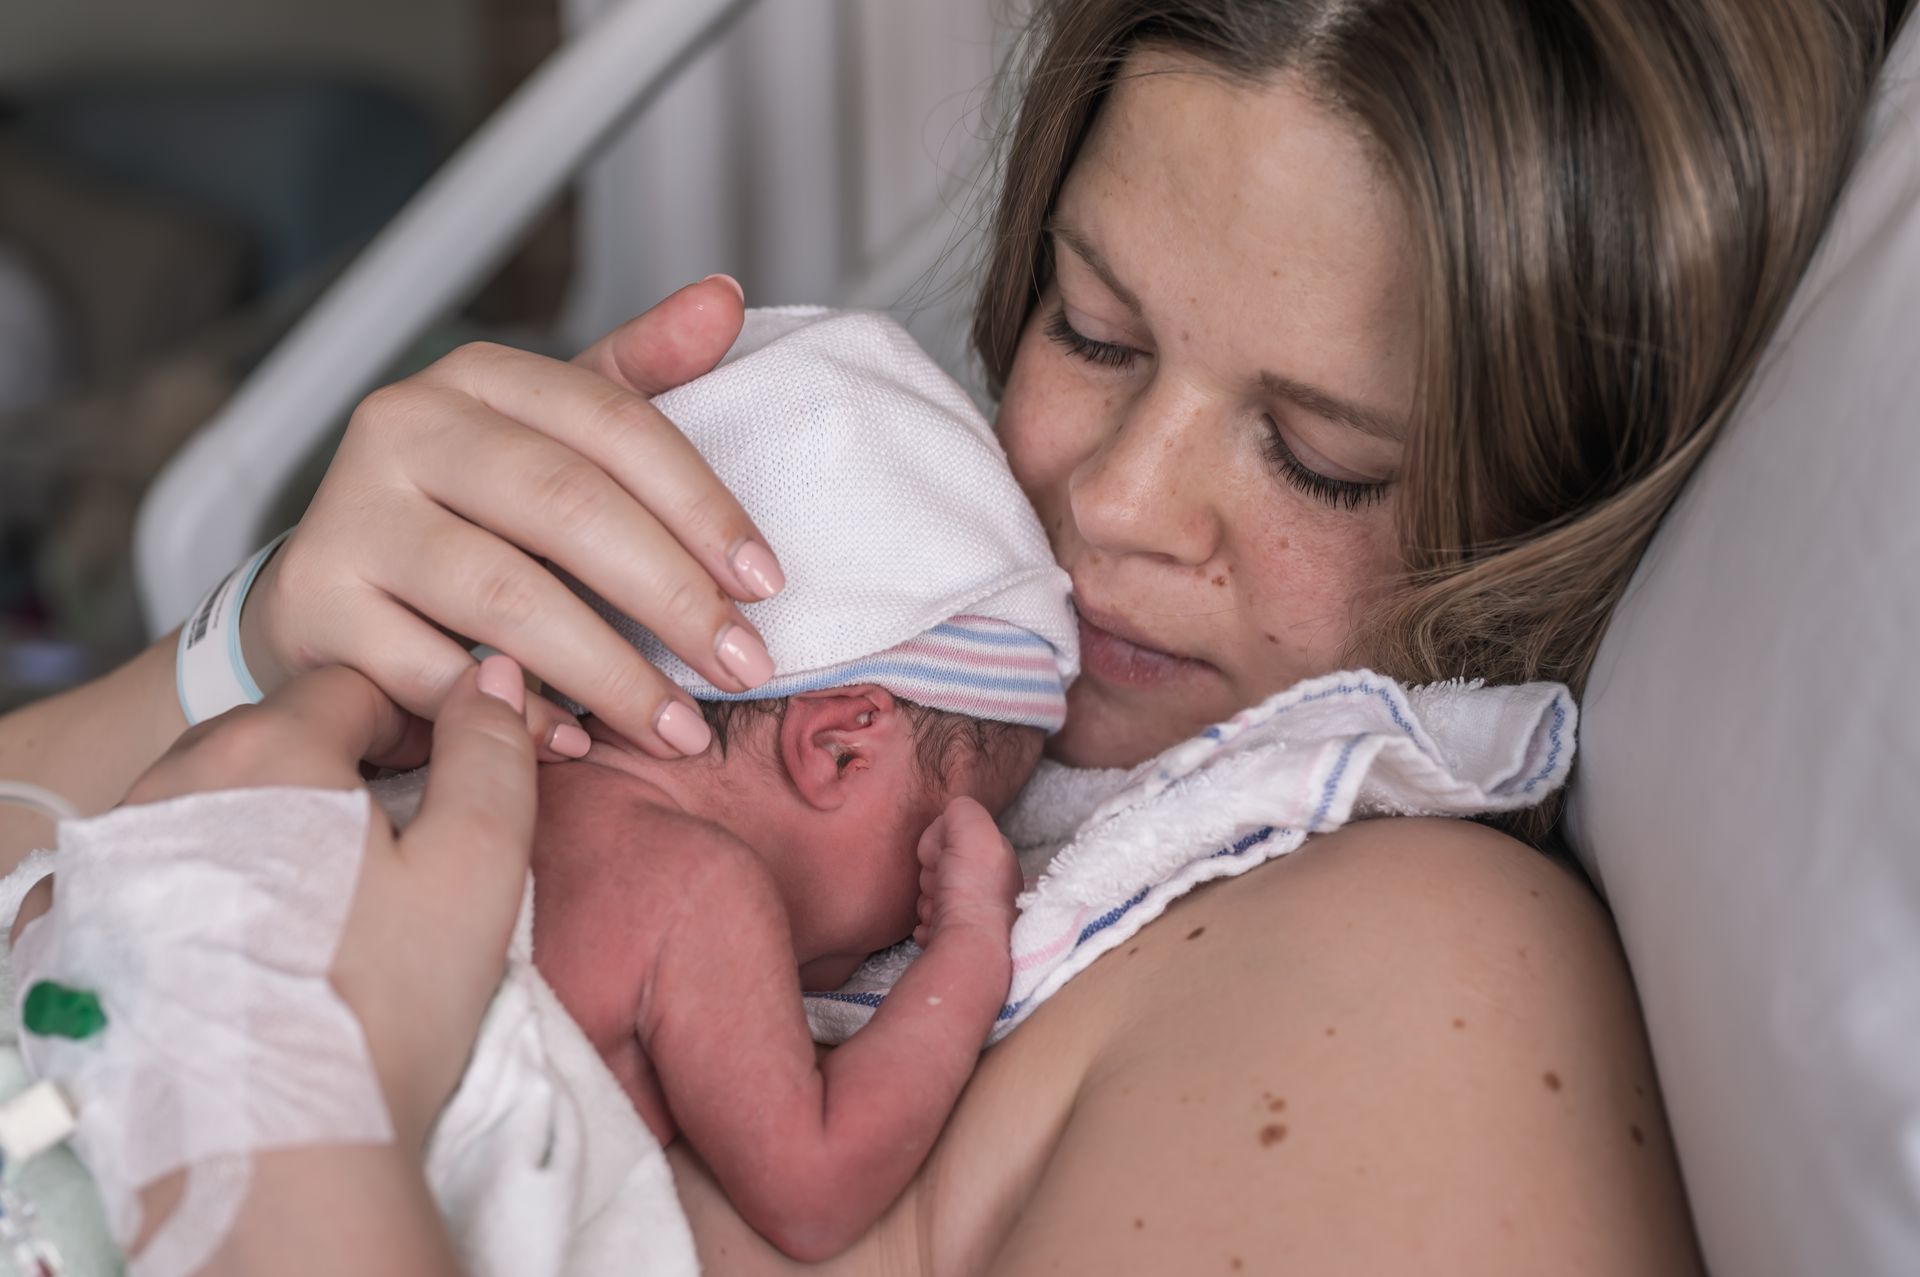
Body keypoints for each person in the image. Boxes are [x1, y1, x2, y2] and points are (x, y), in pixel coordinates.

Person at [0, 0, 1895, 1271]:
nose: (1114, 505)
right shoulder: (807, 667)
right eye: (1091, 329)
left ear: (1560, 503)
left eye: (1323, 460)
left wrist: (281, 1155)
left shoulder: (1406, 985)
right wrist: (246, 661)